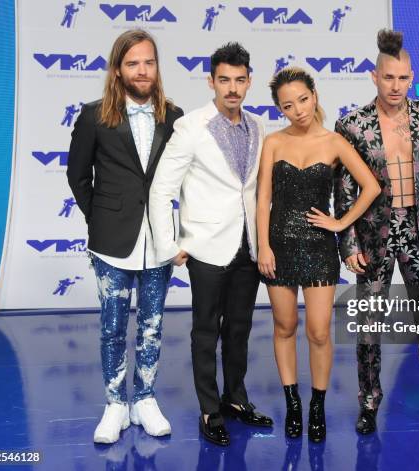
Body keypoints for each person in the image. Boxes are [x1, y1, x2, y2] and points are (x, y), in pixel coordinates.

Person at [334, 29, 419, 438]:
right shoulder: (352, 124)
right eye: (389, 78)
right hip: (373, 237)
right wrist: (348, 243)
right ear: (374, 76)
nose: (396, 86)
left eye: (403, 78)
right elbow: (346, 190)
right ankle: (369, 404)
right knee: (368, 325)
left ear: (412, 77)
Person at [148, 42, 272, 447]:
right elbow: (161, 189)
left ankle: (235, 399)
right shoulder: (190, 127)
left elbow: (253, 191)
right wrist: (170, 245)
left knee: (239, 329)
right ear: (211, 81)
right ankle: (209, 408)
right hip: (205, 247)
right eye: (224, 80)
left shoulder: (258, 126)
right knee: (205, 331)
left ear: (249, 81)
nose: (232, 88)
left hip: (247, 247)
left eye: (240, 80)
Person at [67, 29, 183, 444]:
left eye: (149, 62)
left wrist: (180, 233)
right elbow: (77, 175)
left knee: (152, 326)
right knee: (113, 328)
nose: (142, 70)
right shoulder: (94, 115)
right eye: (133, 63)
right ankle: (116, 403)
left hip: (160, 242)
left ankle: (145, 399)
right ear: (118, 69)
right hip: (111, 243)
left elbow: (184, 182)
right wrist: (99, 218)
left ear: (157, 67)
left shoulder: (174, 116)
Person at [257, 67, 380, 442]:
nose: (298, 110)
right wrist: (262, 245)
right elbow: (263, 197)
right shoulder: (273, 142)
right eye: (288, 105)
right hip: (277, 246)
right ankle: (293, 403)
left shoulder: (334, 142)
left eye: (303, 99)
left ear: (315, 94)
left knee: (319, 331)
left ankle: (317, 407)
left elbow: (371, 187)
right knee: (284, 327)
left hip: (317, 247)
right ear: (280, 109)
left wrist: (341, 222)